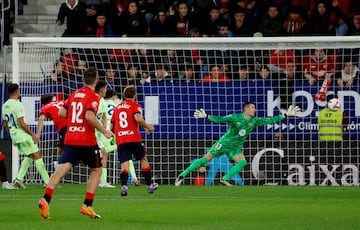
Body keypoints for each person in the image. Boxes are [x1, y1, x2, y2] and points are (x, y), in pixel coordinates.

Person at [38, 67, 113, 220]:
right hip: (86, 140)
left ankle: (45, 199)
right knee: (97, 169)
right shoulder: (93, 97)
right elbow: (89, 116)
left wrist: (74, 120)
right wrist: (104, 131)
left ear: (82, 80)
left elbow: (61, 113)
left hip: (70, 138)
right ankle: (87, 205)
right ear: (96, 81)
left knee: (61, 170)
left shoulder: (73, 94)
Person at [175, 103, 301, 186]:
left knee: (242, 162)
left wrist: (285, 115)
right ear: (246, 109)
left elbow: (270, 120)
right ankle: (182, 175)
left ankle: (224, 179)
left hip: (236, 147)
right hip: (224, 143)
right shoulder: (235, 117)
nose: (255, 109)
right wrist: (207, 116)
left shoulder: (254, 121)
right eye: (252, 107)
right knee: (205, 159)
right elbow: (220, 119)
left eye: (254, 108)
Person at [111, 85, 158, 196]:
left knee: (124, 164)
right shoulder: (135, 105)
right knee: (143, 159)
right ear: (135, 96)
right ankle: (150, 185)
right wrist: (147, 126)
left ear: (124, 95)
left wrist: (116, 134)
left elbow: (111, 126)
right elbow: (137, 118)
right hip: (134, 138)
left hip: (121, 139)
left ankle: (124, 187)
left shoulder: (117, 107)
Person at [2, 84, 50, 189]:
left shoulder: (5, 105)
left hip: (15, 135)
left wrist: (12, 137)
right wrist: (33, 135)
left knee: (30, 155)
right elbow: (22, 123)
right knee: (37, 155)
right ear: (17, 91)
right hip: (22, 135)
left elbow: (5, 123)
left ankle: (19, 179)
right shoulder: (18, 105)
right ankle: (48, 182)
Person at [103, 89, 140, 186]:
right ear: (113, 96)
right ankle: (134, 177)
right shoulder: (118, 103)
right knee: (126, 155)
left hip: (104, 131)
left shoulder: (102, 103)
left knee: (103, 154)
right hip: (117, 131)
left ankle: (103, 181)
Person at [37, 94, 68, 159]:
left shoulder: (45, 108)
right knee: (60, 150)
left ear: (43, 104)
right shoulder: (61, 101)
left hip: (65, 128)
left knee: (64, 153)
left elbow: (41, 118)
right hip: (74, 125)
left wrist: (38, 135)